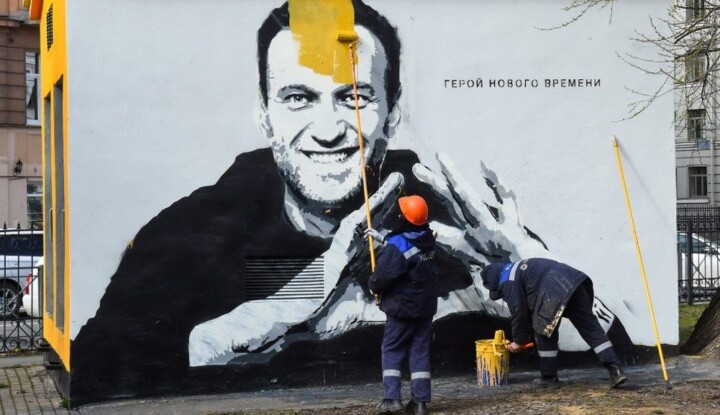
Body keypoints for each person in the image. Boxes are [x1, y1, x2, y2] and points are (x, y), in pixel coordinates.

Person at [70, 0, 625, 403]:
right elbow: (100, 365)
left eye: (354, 96)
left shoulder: (460, 222)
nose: (330, 128)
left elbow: (606, 338)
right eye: (298, 97)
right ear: (264, 115)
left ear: (393, 112)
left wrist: (531, 266)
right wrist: (291, 300)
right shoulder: (191, 231)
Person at [480, 259, 628, 388]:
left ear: (493, 280)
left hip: (552, 286)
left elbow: (519, 312)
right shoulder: (519, 268)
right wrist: (526, 337)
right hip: (574, 280)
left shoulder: (507, 280)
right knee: (590, 327)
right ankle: (616, 370)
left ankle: (549, 376)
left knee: (543, 331)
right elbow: (528, 310)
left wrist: (519, 341)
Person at [367, 195, 436, 415]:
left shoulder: (398, 244)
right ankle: (420, 403)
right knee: (419, 351)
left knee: (392, 350)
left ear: (404, 217)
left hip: (403, 308)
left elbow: (382, 276)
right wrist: (384, 240)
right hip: (425, 307)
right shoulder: (428, 238)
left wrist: (373, 285)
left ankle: (391, 400)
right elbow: (410, 253)